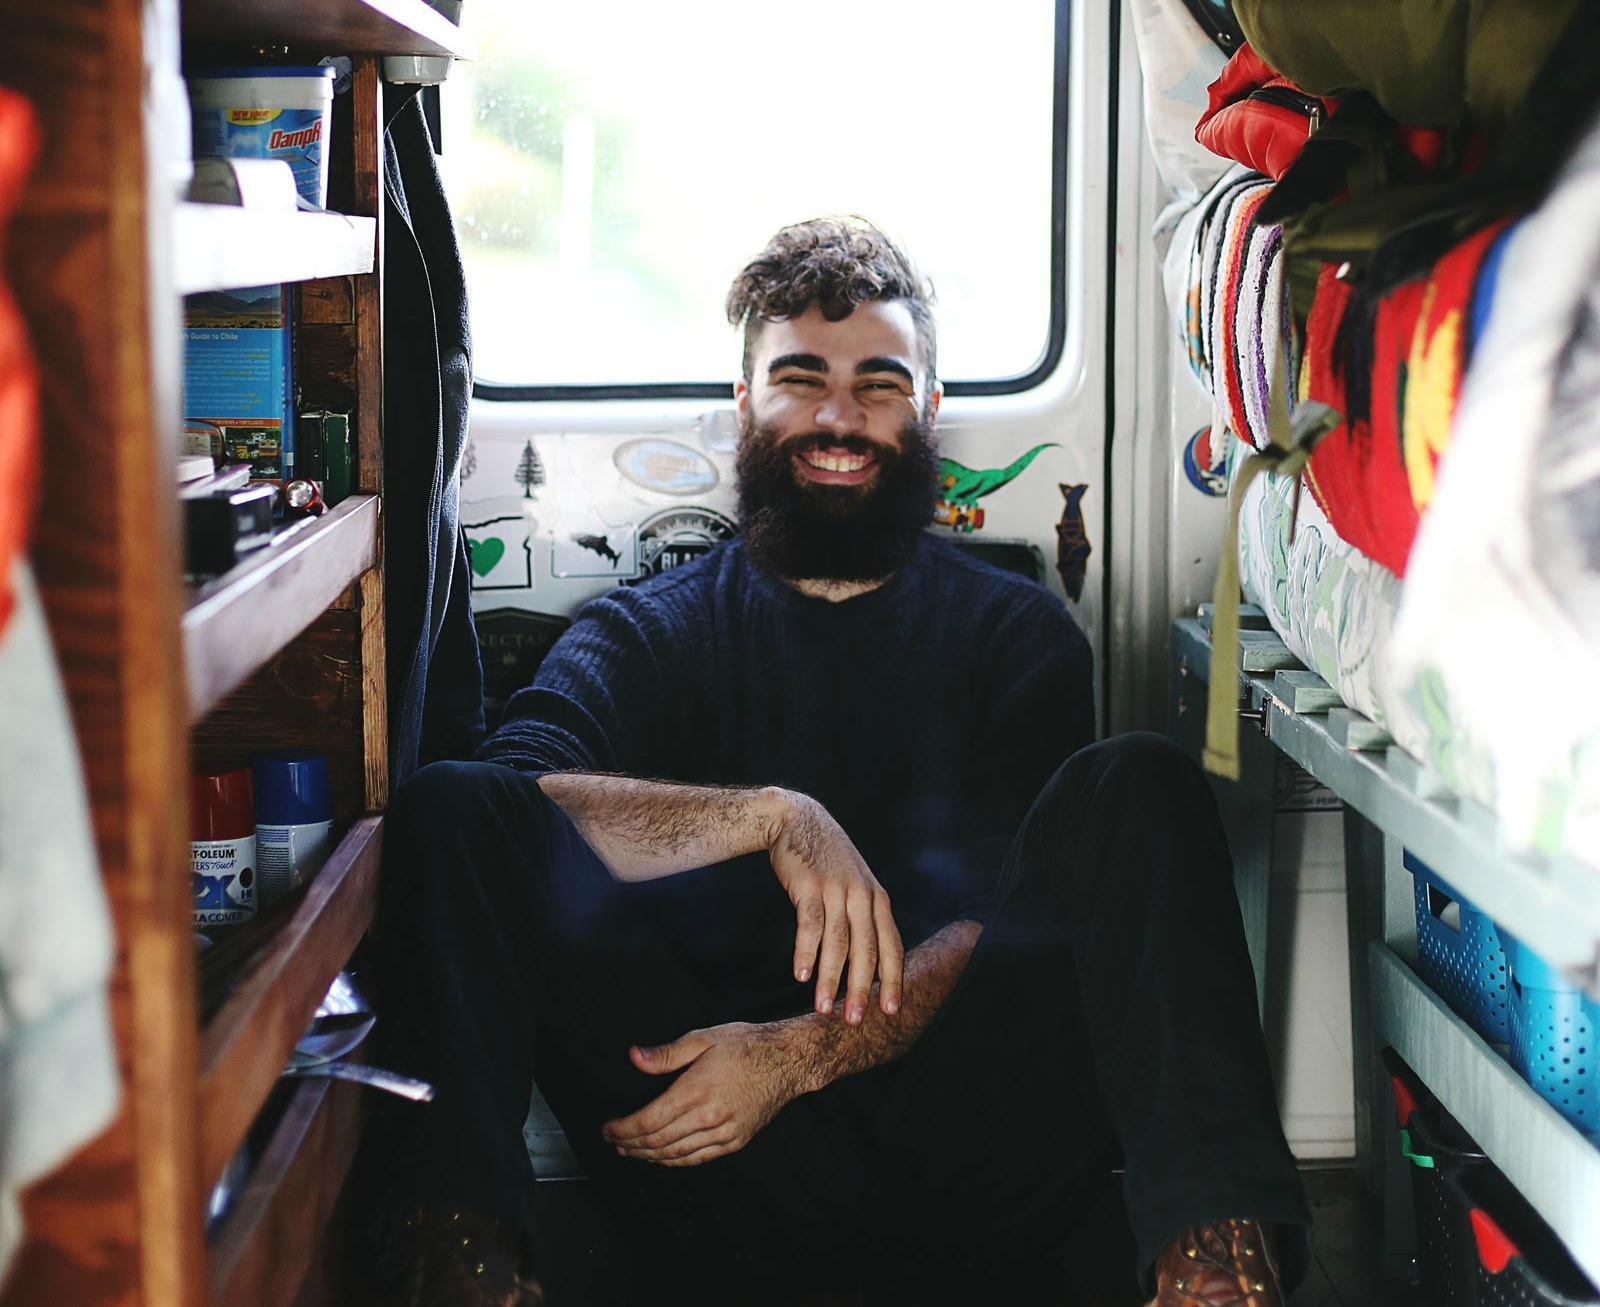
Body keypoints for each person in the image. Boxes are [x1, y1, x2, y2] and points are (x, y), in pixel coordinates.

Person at [358, 217, 1311, 1307]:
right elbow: (513, 805)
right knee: (451, 803)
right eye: (800, 378)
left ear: (929, 409)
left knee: (1137, 778)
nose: (838, 416)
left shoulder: (1017, 636)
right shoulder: (646, 634)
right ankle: (456, 1275)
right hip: (704, 1152)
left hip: (971, 1159)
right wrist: (772, 817)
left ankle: (1218, 1276)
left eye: (879, 383)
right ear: (744, 404)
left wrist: (792, 1055)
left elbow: (1001, 922)